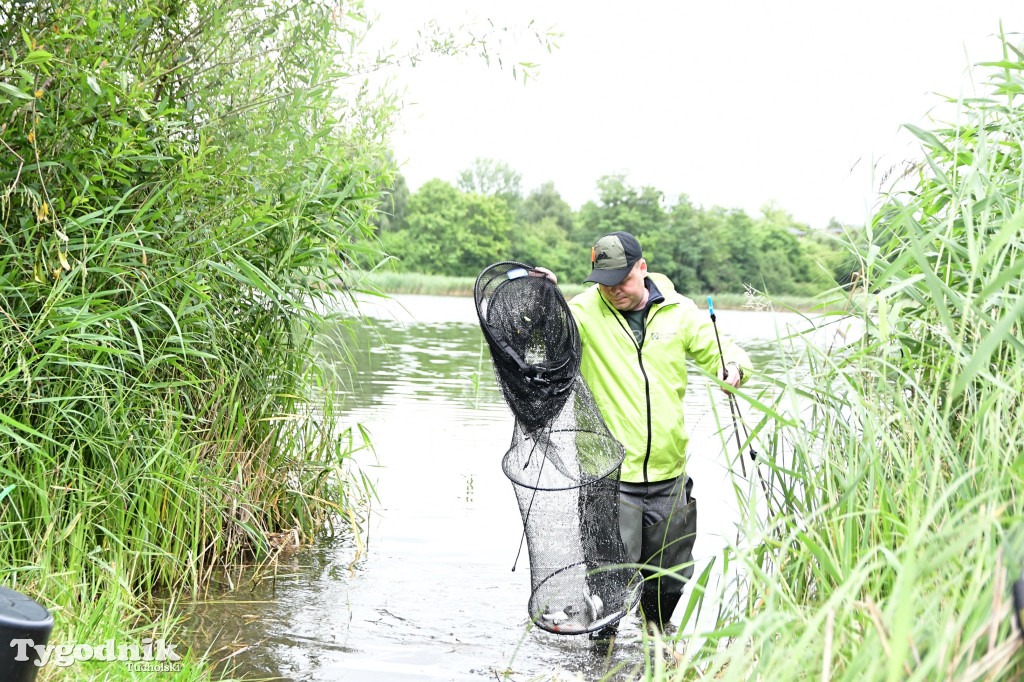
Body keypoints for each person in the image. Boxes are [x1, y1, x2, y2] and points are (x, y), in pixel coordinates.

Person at [536, 231, 752, 638]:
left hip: (669, 475)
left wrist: (734, 368)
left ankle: (655, 642)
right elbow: (544, 343)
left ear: (642, 267)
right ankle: (603, 658)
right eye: (604, 280)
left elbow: (722, 349)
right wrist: (543, 301)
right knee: (610, 588)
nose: (613, 289)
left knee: (670, 578)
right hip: (611, 475)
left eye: (622, 278)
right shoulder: (581, 313)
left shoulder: (680, 312)